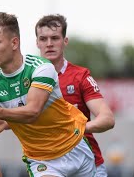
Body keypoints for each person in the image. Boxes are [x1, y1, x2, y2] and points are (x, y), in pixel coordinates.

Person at [0, 12, 96, 177]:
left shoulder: (41, 67)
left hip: (76, 149)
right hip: (42, 162)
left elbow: (33, 112)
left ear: (14, 43)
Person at [35, 14, 115, 177]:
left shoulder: (81, 76)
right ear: (37, 43)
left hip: (88, 163)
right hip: (48, 163)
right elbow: (24, 116)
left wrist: (76, 129)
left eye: (55, 38)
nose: (49, 44)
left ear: (65, 41)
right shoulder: (28, 78)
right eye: (43, 39)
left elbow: (107, 119)